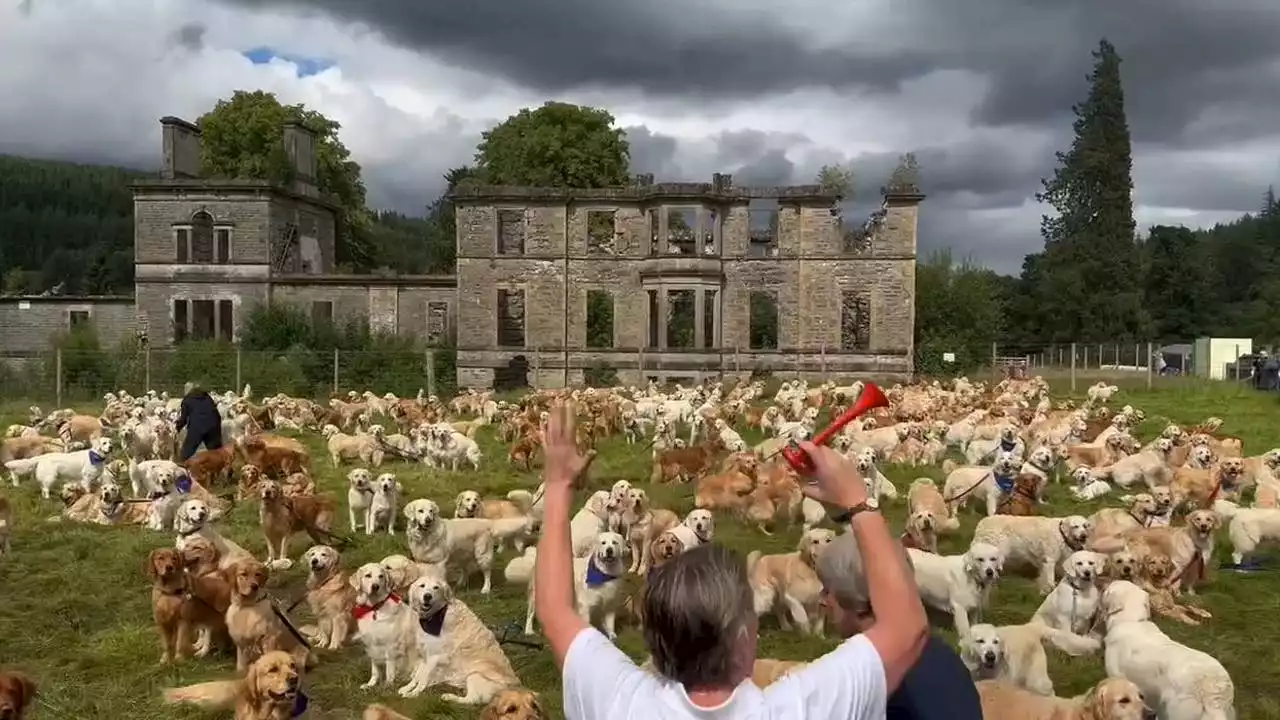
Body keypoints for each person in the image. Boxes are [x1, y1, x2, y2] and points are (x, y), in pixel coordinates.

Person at [534, 401, 928, 719]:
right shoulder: (801, 708)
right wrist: (858, 503)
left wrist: (556, 486)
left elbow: (554, 611)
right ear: (746, 634)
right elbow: (906, 626)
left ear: (655, 640)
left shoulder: (621, 703)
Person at [816, 530, 982, 718]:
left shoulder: (869, 678)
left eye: (827, 590)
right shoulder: (938, 653)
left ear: (853, 595)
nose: (821, 599)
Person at [176, 381, 223, 461]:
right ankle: (223, 469)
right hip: (213, 425)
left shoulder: (187, 399)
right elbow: (215, 412)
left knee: (187, 451)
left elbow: (183, 418)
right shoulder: (207, 397)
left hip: (197, 426)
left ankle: (182, 467)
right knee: (216, 452)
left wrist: (177, 427)